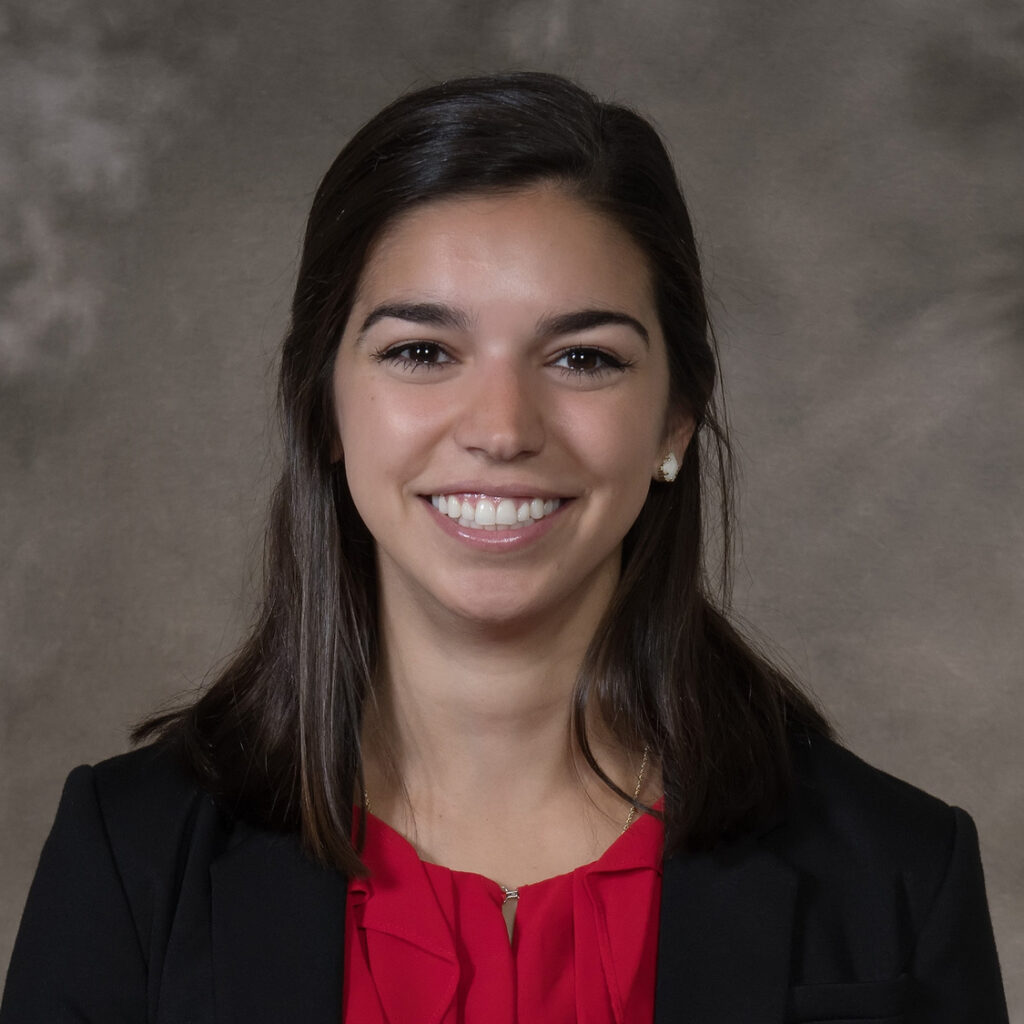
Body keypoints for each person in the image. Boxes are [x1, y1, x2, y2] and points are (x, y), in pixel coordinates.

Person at [0, 72, 1009, 1024]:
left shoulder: (897, 875)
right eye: (421, 351)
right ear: (323, 406)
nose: (500, 426)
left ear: (674, 421)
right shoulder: (128, 857)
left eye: (582, 357)